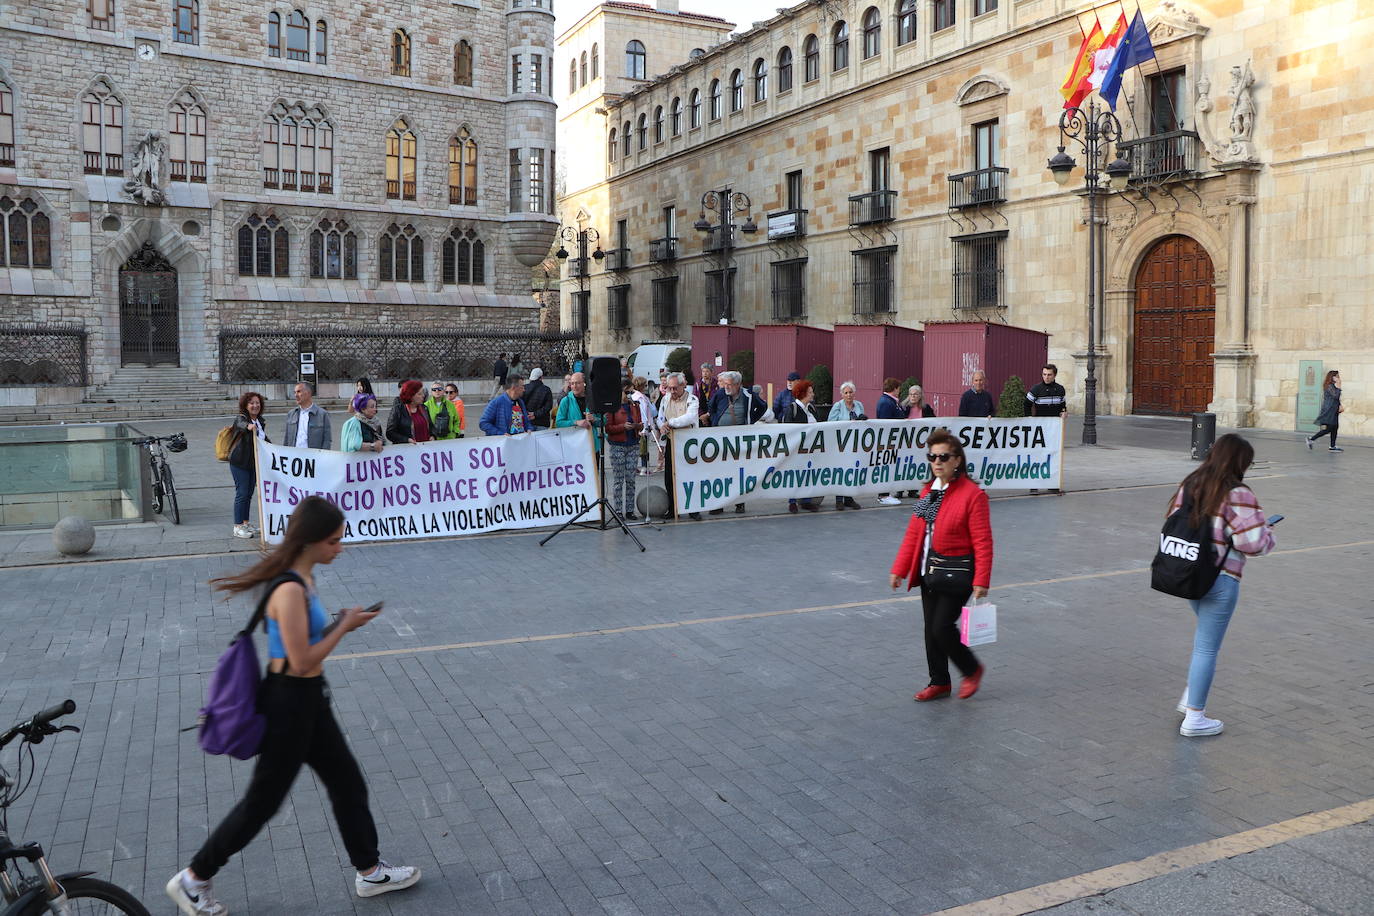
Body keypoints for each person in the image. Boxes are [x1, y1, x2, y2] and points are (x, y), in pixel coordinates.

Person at [165, 497, 420, 916]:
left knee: (348, 783)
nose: (341, 548)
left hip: (308, 701)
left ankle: (370, 870)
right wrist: (345, 627)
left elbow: (304, 642)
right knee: (262, 803)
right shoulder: (289, 589)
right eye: (335, 541)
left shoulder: (302, 580)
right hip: (290, 705)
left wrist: (336, 621)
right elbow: (302, 659)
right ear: (312, 542)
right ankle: (194, 878)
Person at [1166, 434, 1276, 737]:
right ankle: (1195, 717)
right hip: (1220, 578)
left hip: (1189, 574)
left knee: (1204, 642)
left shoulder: (1191, 483)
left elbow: (1176, 520)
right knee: (1206, 648)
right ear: (1239, 462)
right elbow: (1252, 543)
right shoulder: (1238, 493)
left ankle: (1191, 696)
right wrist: (1268, 533)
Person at [889, 429, 993, 702]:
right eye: (932, 457)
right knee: (930, 630)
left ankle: (972, 669)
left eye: (943, 457)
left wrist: (982, 579)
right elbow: (915, 533)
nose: (937, 462)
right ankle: (939, 682)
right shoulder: (929, 492)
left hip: (957, 573)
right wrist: (900, 569)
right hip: (929, 572)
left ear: (957, 460)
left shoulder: (973, 495)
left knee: (941, 627)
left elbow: (983, 541)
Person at [708, 371, 768, 514]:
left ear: (738, 385)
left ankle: (739, 503)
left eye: (730, 384)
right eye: (725, 384)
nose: (726, 387)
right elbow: (711, 406)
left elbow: (762, 406)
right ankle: (718, 505)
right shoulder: (721, 393)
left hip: (739, 440)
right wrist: (716, 420)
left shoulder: (748, 395)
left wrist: (750, 421)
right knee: (720, 472)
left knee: (739, 472)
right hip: (721, 439)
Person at [657, 372, 700, 520]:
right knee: (669, 476)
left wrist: (670, 423)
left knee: (690, 476)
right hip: (672, 441)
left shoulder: (692, 399)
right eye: (670, 388)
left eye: (675, 388)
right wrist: (661, 426)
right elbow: (660, 418)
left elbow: (689, 418)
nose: (672, 391)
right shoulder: (665, 399)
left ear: (683, 385)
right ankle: (672, 507)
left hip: (689, 443)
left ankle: (693, 509)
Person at [229, 391, 269, 539]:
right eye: (251, 403)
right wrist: (248, 426)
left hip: (253, 463)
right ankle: (237, 526)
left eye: (257, 403)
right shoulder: (241, 418)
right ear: (246, 405)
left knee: (249, 494)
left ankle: (245, 523)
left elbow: (264, 440)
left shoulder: (260, 421)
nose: (255, 405)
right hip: (239, 462)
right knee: (242, 493)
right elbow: (240, 425)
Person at [1026, 365, 1067, 494]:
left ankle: (1052, 483)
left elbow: (1063, 406)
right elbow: (1026, 404)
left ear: (1054, 375)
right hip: (1040, 427)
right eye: (1044, 374)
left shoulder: (1060, 389)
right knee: (1038, 455)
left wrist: (1064, 412)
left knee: (1053, 455)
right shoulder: (1036, 389)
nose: (1046, 377)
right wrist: (1029, 419)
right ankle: (1034, 484)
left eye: (1049, 375)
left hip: (1054, 428)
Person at [783, 380, 822, 513]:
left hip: (812, 449)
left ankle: (806, 500)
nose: (813, 394)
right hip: (797, 449)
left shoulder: (812, 408)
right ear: (803, 394)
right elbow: (787, 430)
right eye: (810, 392)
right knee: (795, 474)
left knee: (808, 473)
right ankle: (792, 501)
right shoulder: (792, 409)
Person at [605, 383, 642, 520]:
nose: (629, 395)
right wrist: (622, 427)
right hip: (618, 446)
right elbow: (608, 428)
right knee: (618, 480)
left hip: (633, 445)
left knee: (631, 479)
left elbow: (641, 422)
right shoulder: (612, 407)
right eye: (627, 392)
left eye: (631, 392)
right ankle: (618, 510)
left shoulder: (635, 406)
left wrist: (637, 426)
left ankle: (630, 510)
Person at [827, 381, 865, 510]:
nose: (849, 395)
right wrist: (849, 423)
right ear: (842, 394)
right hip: (841, 444)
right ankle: (839, 499)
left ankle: (849, 498)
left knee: (852, 469)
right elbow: (830, 423)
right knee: (840, 470)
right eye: (846, 393)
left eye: (851, 392)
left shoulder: (859, 405)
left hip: (855, 444)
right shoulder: (837, 406)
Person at [899, 384, 936, 498]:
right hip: (905, 441)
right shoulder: (903, 407)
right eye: (911, 394)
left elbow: (934, 421)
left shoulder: (926, 408)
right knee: (902, 465)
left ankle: (912, 490)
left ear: (920, 396)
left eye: (915, 394)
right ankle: (900, 489)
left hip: (919, 443)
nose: (913, 396)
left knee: (915, 464)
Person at [875, 378, 906, 506]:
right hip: (888, 441)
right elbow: (885, 424)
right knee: (886, 466)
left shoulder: (891, 402)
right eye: (898, 388)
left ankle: (885, 494)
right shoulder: (886, 403)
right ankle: (883, 495)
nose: (899, 391)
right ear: (894, 389)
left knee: (890, 466)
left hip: (893, 440)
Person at [554, 371, 604, 450]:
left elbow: (603, 421)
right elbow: (559, 423)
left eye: (577, 383)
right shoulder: (566, 400)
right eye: (572, 383)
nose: (574, 386)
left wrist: (594, 419)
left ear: (584, 383)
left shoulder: (592, 400)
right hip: (574, 446)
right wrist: (576, 422)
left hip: (592, 445)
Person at [283, 382, 331, 450]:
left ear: (308, 393)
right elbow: (287, 439)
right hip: (294, 456)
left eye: (299, 392)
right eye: (295, 392)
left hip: (313, 457)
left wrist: (323, 456)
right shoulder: (291, 414)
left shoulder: (322, 414)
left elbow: (327, 440)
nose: (296, 395)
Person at [1306, 370, 1344, 452]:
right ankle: (1311, 439)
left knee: (1335, 427)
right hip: (1329, 410)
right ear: (1332, 377)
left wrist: (1340, 405)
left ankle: (1332, 446)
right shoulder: (1329, 386)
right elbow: (1336, 395)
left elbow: (1336, 398)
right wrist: (1339, 385)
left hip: (1334, 409)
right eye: (1337, 376)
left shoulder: (1333, 386)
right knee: (1330, 428)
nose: (1339, 378)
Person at [385, 380, 430, 444]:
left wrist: (432, 436)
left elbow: (431, 427)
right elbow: (390, 433)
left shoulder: (424, 408)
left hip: (424, 450)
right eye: (419, 394)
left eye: (423, 393)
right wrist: (406, 440)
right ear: (411, 395)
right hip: (407, 450)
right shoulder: (398, 409)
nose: (423, 395)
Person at [630, 376, 658, 476]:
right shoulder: (642, 398)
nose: (646, 387)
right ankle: (644, 468)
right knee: (644, 450)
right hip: (643, 426)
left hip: (636, 425)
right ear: (641, 386)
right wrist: (645, 427)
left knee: (635, 448)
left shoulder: (633, 397)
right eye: (645, 385)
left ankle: (634, 467)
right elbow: (649, 413)